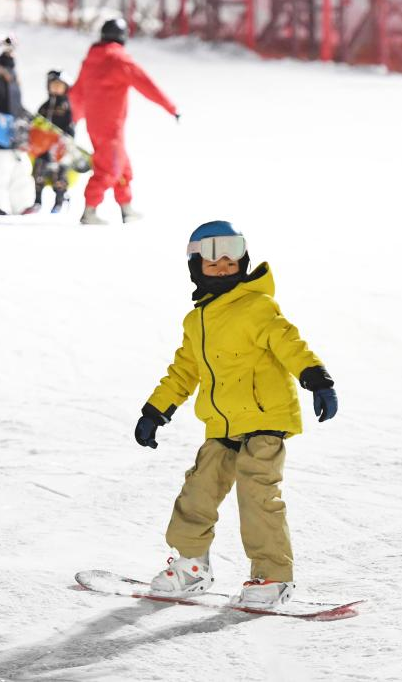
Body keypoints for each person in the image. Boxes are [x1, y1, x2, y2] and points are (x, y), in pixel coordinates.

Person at [133, 221, 339, 608]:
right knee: (197, 492)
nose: (223, 267)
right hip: (221, 425)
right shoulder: (197, 321)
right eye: (213, 263)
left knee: (256, 494)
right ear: (196, 269)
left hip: (264, 420)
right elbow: (183, 372)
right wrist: (155, 411)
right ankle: (192, 566)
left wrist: (316, 378)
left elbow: (289, 342)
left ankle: (272, 577)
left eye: (231, 260)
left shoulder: (257, 306)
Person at [68, 18, 179, 225]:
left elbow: (76, 94)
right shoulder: (119, 60)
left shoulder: (90, 60)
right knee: (109, 169)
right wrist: (170, 107)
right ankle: (89, 211)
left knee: (122, 166)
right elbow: (146, 84)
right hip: (111, 127)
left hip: (95, 126)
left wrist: (73, 119)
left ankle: (126, 208)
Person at [0, 36, 35, 215]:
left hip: (13, 131)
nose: (11, 52)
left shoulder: (12, 75)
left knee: (21, 167)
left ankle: (21, 206)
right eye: (7, 48)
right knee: (0, 167)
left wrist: (26, 117)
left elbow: (15, 105)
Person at [30, 70, 76, 214]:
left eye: (59, 85)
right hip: (44, 148)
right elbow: (36, 124)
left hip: (61, 148)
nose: (56, 88)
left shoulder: (67, 106)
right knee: (38, 172)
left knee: (59, 175)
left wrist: (67, 138)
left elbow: (71, 126)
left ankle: (60, 201)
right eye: (53, 85)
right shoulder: (44, 107)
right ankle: (37, 201)